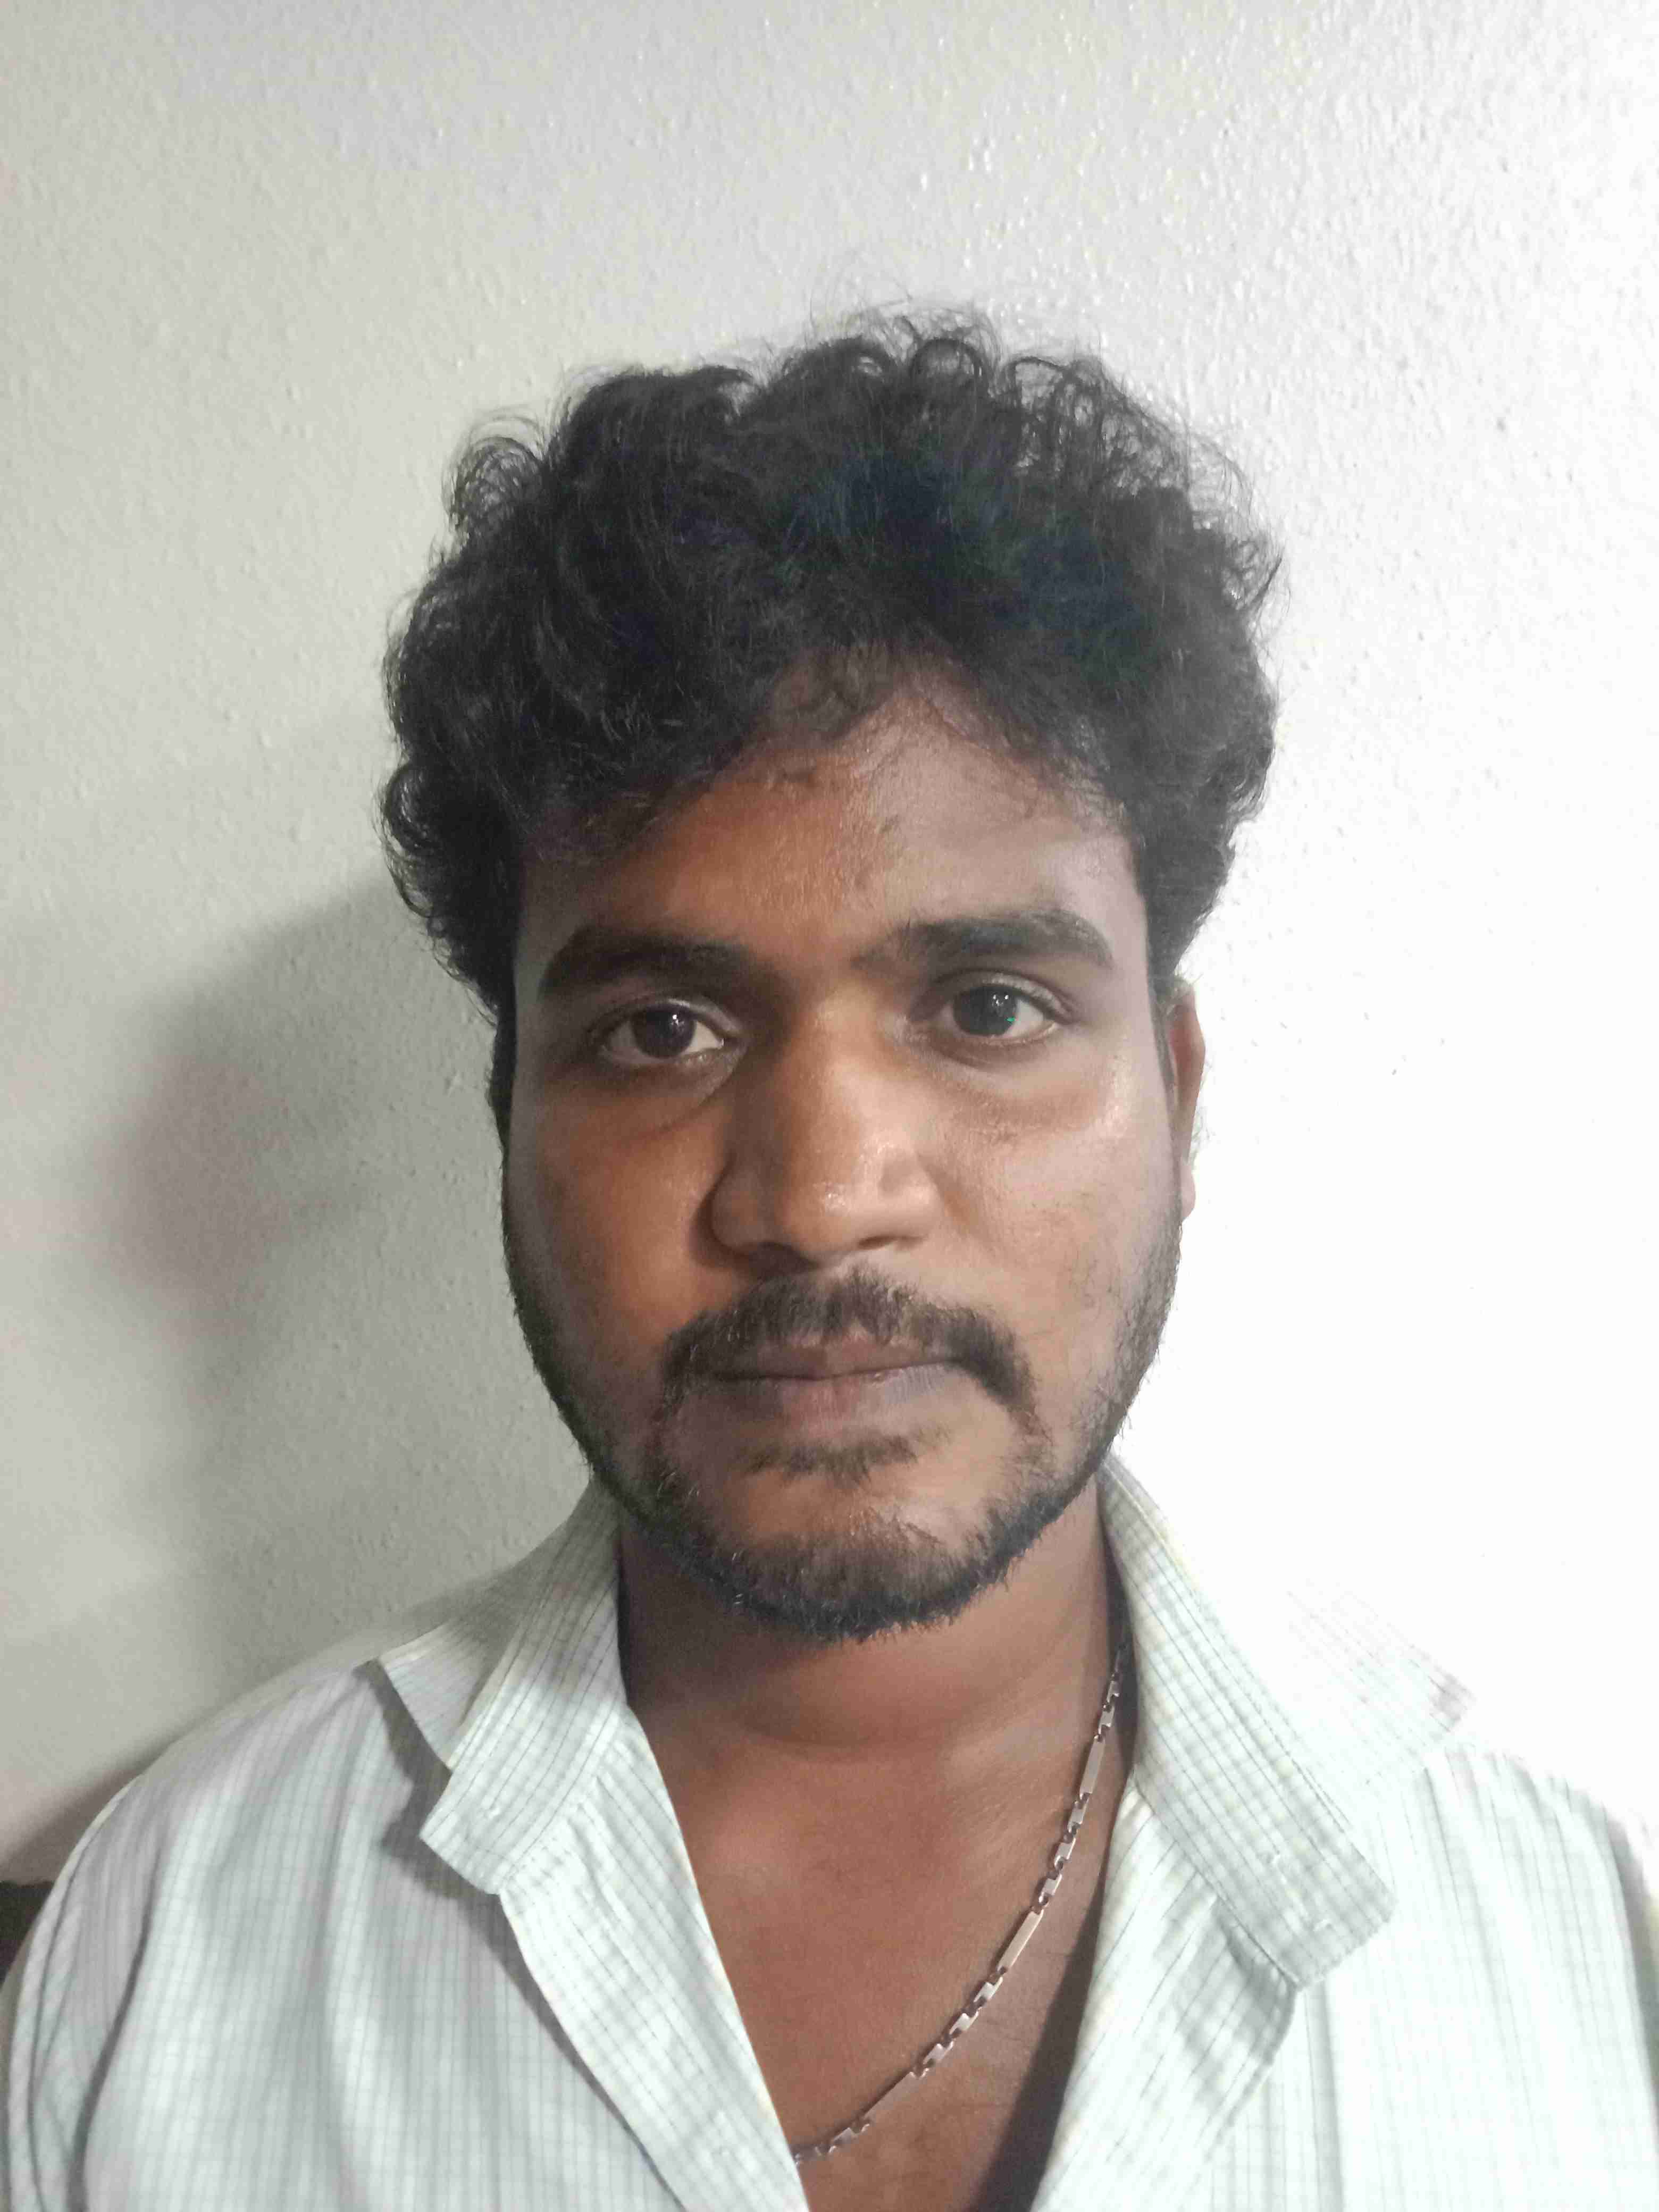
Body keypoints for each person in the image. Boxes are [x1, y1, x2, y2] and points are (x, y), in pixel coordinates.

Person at [3, 315, 1654, 2212]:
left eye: (988, 1005)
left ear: (1178, 1099)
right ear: (510, 1119)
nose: (820, 1196)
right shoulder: (177, 1945)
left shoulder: (1570, 1954)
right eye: (662, 1033)